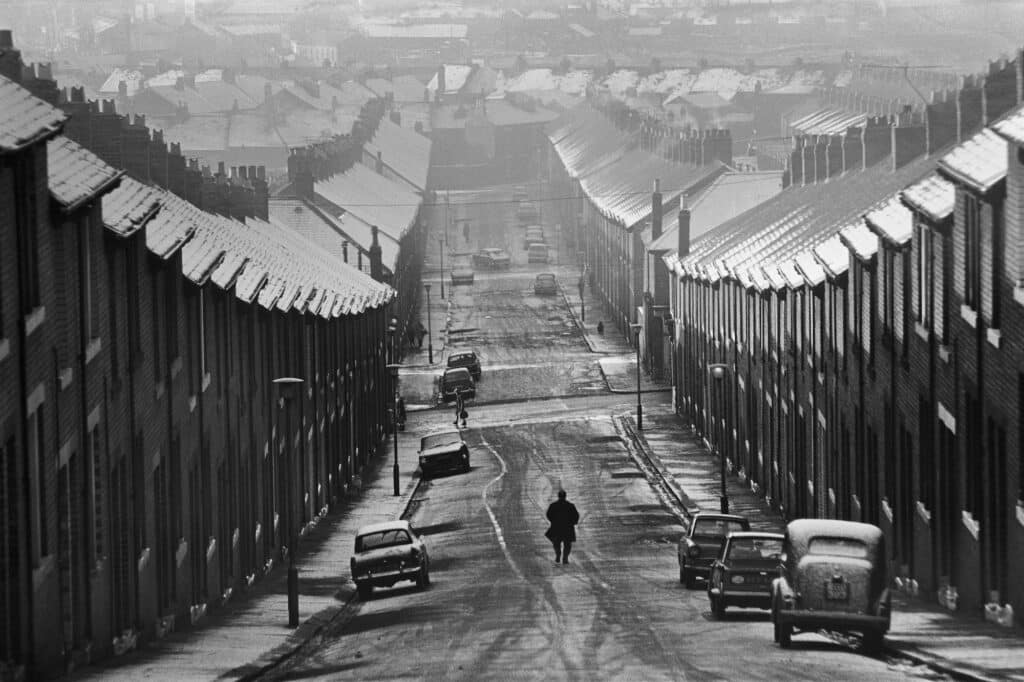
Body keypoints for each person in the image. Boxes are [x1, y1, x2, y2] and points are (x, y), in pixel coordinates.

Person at [545, 490, 579, 564]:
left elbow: (548, 514)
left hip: (557, 527)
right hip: (568, 528)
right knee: (567, 544)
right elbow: (576, 516)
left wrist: (553, 521)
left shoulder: (553, 505)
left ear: (558, 496)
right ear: (565, 496)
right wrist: (573, 522)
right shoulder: (570, 505)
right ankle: (565, 557)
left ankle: (558, 554)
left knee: (556, 543)